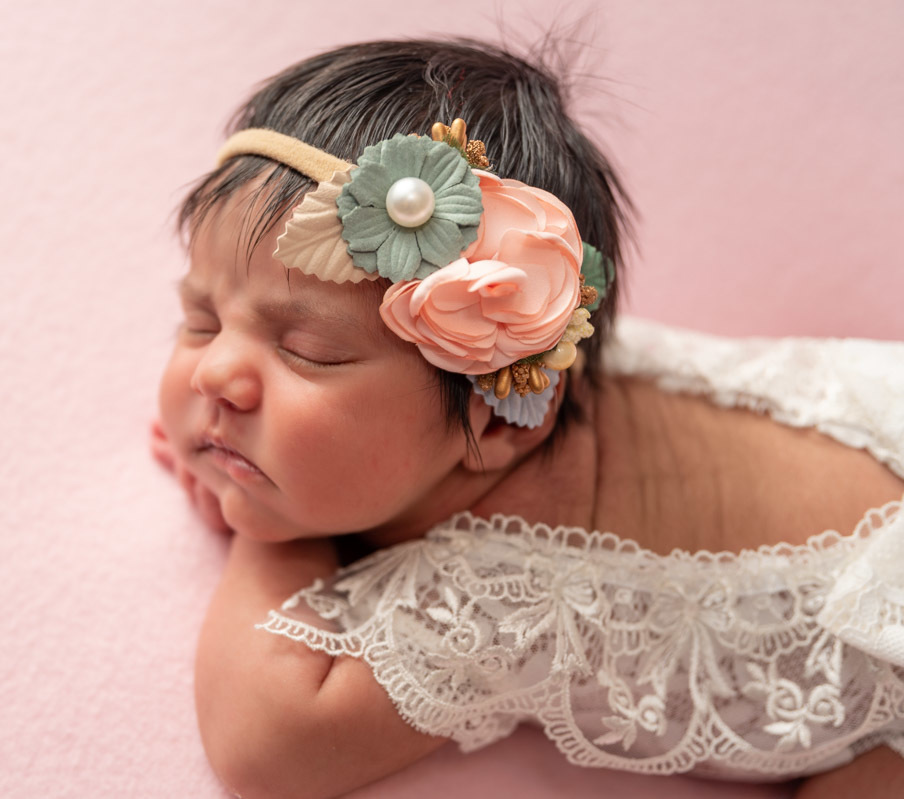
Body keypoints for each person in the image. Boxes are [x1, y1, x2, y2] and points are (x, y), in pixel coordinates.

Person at [151, 37, 904, 799]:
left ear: (502, 425)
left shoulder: (504, 584)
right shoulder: (515, 359)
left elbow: (268, 746)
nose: (215, 374)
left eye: (308, 351)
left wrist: (267, 528)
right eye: (201, 320)